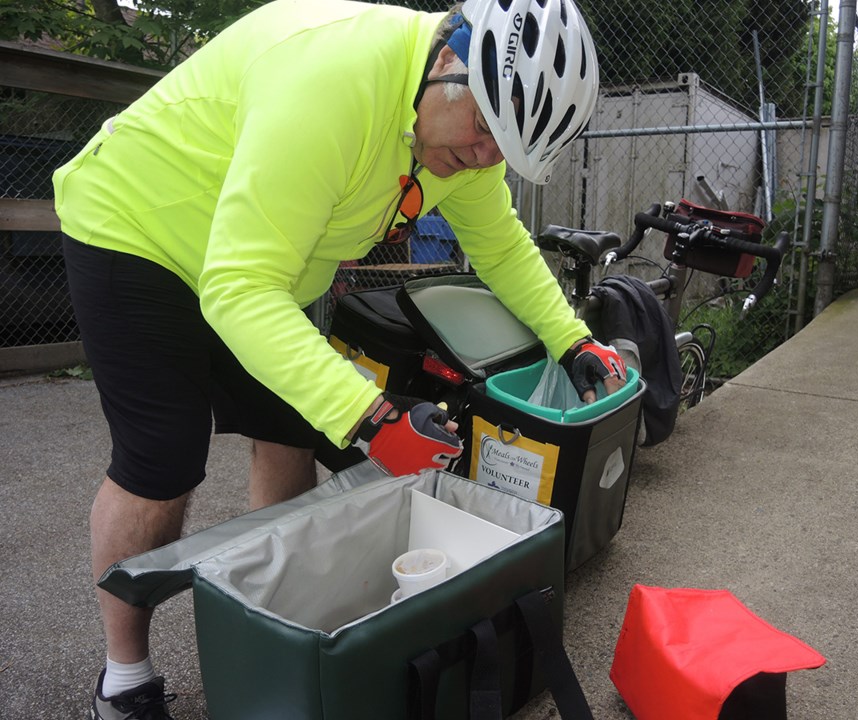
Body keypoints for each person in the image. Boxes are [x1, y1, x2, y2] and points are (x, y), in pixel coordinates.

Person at [53, 0, 626, 716]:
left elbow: (501, 244)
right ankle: (124, 678)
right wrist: (370, 412)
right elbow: (238, 288)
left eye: (503, 150)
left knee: (290, 427)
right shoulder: (329, 81)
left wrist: (570, 338)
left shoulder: (464, 130)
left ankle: (279, 613)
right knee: (162, 458)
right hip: (137, 226)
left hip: (252, 263)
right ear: (450, 59)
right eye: (482, 130)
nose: (485, 159)